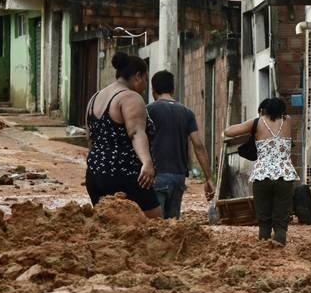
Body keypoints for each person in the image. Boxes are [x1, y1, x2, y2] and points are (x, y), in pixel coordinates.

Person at [84, 53, 161, 219]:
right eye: (145, 80)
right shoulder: (130, 97)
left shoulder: (94, 98)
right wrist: (147, 162)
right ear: (138, 76)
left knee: (109, 228)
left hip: (95, 175)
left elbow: (90, 137)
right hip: (125, 174)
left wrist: (95, 164)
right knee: (155, 225)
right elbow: (136, 133)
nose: (145, 85)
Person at [224, 97, 299, 244]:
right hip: (284, 176)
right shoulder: (288, 121)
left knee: (264, 220)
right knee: (281, 221)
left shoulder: (257, 122)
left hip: (262, 176)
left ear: (262, 111)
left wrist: (253, 128)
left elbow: (228, 131)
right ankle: (280, 249)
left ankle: (264, 249)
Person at [146, 70, 215, 219]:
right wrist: (209, 178)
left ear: (153, 90)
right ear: (173, 90)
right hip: (178, 178)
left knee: (155, 226)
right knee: (173, 227)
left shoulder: (148, 111)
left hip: (155, 176)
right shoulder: (187, 112)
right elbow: (198, 145)